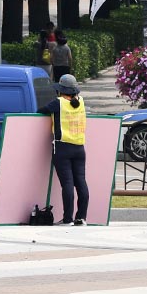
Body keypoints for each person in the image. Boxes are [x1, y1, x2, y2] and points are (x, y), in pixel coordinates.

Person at [38, 74, 89, 225]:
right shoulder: (81, 102)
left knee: (67, 183)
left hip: (62, 147)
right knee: (81, 182)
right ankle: (81, 218)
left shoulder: (58, 103)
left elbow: (41, 110)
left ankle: (68, 219)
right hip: (79, 147)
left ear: (61, 90)